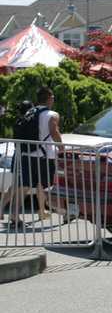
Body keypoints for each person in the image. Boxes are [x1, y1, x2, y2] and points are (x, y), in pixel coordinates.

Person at [11, 88, 62, 225]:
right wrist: (61, 148)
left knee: (25, 186)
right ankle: (59, 210)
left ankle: (16, 214)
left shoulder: (30, 112)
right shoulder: (52, 114)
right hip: (44, 155)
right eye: (53, 97)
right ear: (49, 98)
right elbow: (54, 131)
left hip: (27, 153)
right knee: (45, 185)